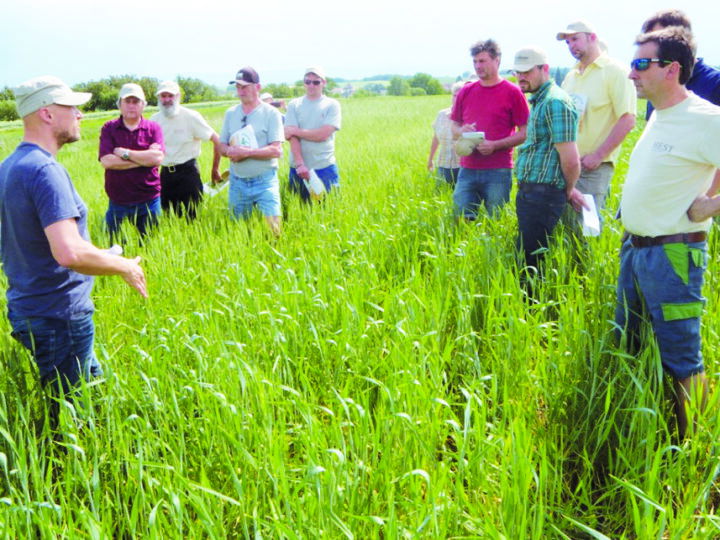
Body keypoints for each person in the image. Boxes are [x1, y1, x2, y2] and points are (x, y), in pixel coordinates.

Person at [0, 76, 147, 398]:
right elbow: (68, 254)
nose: (80, 114)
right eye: (72, 107)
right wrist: (124, 266)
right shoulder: (44, 171)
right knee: (74, 415)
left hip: (31, 308)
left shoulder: (9, 166)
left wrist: (103, 255)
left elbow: (27, 241)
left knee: (87, 397)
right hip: (59, 315)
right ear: (47, 114)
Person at [617, 27, 720, 439]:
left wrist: (711, 204)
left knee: (682, 357)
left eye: (642, 63)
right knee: (632, 343)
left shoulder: (705, 118)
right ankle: (649, 431)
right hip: (637, 251)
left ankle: (697, 450)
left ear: (672, 69)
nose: (632, 73)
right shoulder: (660, 113)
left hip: (675, 257)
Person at [513, 47, 586, 273]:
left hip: (542, 194)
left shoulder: (555, 102)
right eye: (518, 72)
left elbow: (571, 158)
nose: (521, 77)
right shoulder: (540, 101)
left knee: (531, 262)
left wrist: (568, 188)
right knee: (527, 255)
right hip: (533, 192)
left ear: (544, 69)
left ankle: (531, 306)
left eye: (527, 71)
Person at [557, 21, 636, 213]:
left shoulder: (616, 71)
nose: (571, 46)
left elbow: (627, 119)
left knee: (587, 223)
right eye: (567, 42)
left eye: (575, 39)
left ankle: (591, 244)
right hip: (567, 163)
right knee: (566, 225)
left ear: (592, 37)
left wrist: (598, 156)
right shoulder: (572, 76)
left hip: (593, 165)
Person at [451, 39, 529, 220]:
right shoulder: (466, 91)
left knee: (496, 220)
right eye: (475, 62)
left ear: (497, 61)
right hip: (467, 169)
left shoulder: (513, 92)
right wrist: (462, 130)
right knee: (461, 219)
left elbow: (525, 132)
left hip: (498, 170)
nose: (478, 66)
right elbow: (453, 125)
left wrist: (495, 145)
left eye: (483, 61)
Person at [219, 67, 284, 235]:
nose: (240, 91)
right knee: (239, 232)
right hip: (237, 183)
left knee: (274, 230)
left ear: (257, 87)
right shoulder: (231, 114)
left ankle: (273, 258)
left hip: (265, 182)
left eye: (245, 87)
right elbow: (221, 146)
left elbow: (276, 150)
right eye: (238, 87)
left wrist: (246, 153)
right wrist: (230, 151)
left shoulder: (271, 114)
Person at [99, 83, 164, 239]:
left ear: (144, 105)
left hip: (149, 199)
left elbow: (157, 158)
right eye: (127, 101)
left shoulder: (153, 128)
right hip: (118, 201)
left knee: (151, 245)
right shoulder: (109, 128)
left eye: (136, 102)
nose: (131, 106)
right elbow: (107, 162)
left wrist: (125, 153)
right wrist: (144, 159)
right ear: (119, 104)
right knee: (115, 246)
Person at [150, 80, 221, 220]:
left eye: (171, 96)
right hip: (165, 176)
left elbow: (216, 140)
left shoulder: (191, 116)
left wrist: (215, 169)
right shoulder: (154, 121)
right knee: (169, 219)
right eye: (163, 96)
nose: (167, 100)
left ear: (178, 97)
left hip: (188, 174)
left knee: (193, 218)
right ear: (158, 98)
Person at [641, 9, 720, 119]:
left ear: (684, 39)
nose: (652, 48)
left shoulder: (715, 83)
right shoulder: (659, 83)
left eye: (659, 40)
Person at [284, 67, 342, 202]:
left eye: (316, 82)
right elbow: (291, 137)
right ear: (303, 83)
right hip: (298, 169)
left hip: (324, 167)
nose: (311, 85)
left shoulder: (332, 105)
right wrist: (300, 165)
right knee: (299, 210)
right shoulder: (294, 104)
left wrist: (296, 131)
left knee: (330, 208)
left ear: (324, 83)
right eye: (307, 81)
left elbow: (323, 134)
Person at [428, 82, 463, 187]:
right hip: (443, 164)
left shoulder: (469, 116)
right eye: (454, 96)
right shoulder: (442, 114)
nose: (456, 99)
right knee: (441, 195)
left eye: (460, 96)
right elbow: (436, 138)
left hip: (463, 167)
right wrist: (430, 159)